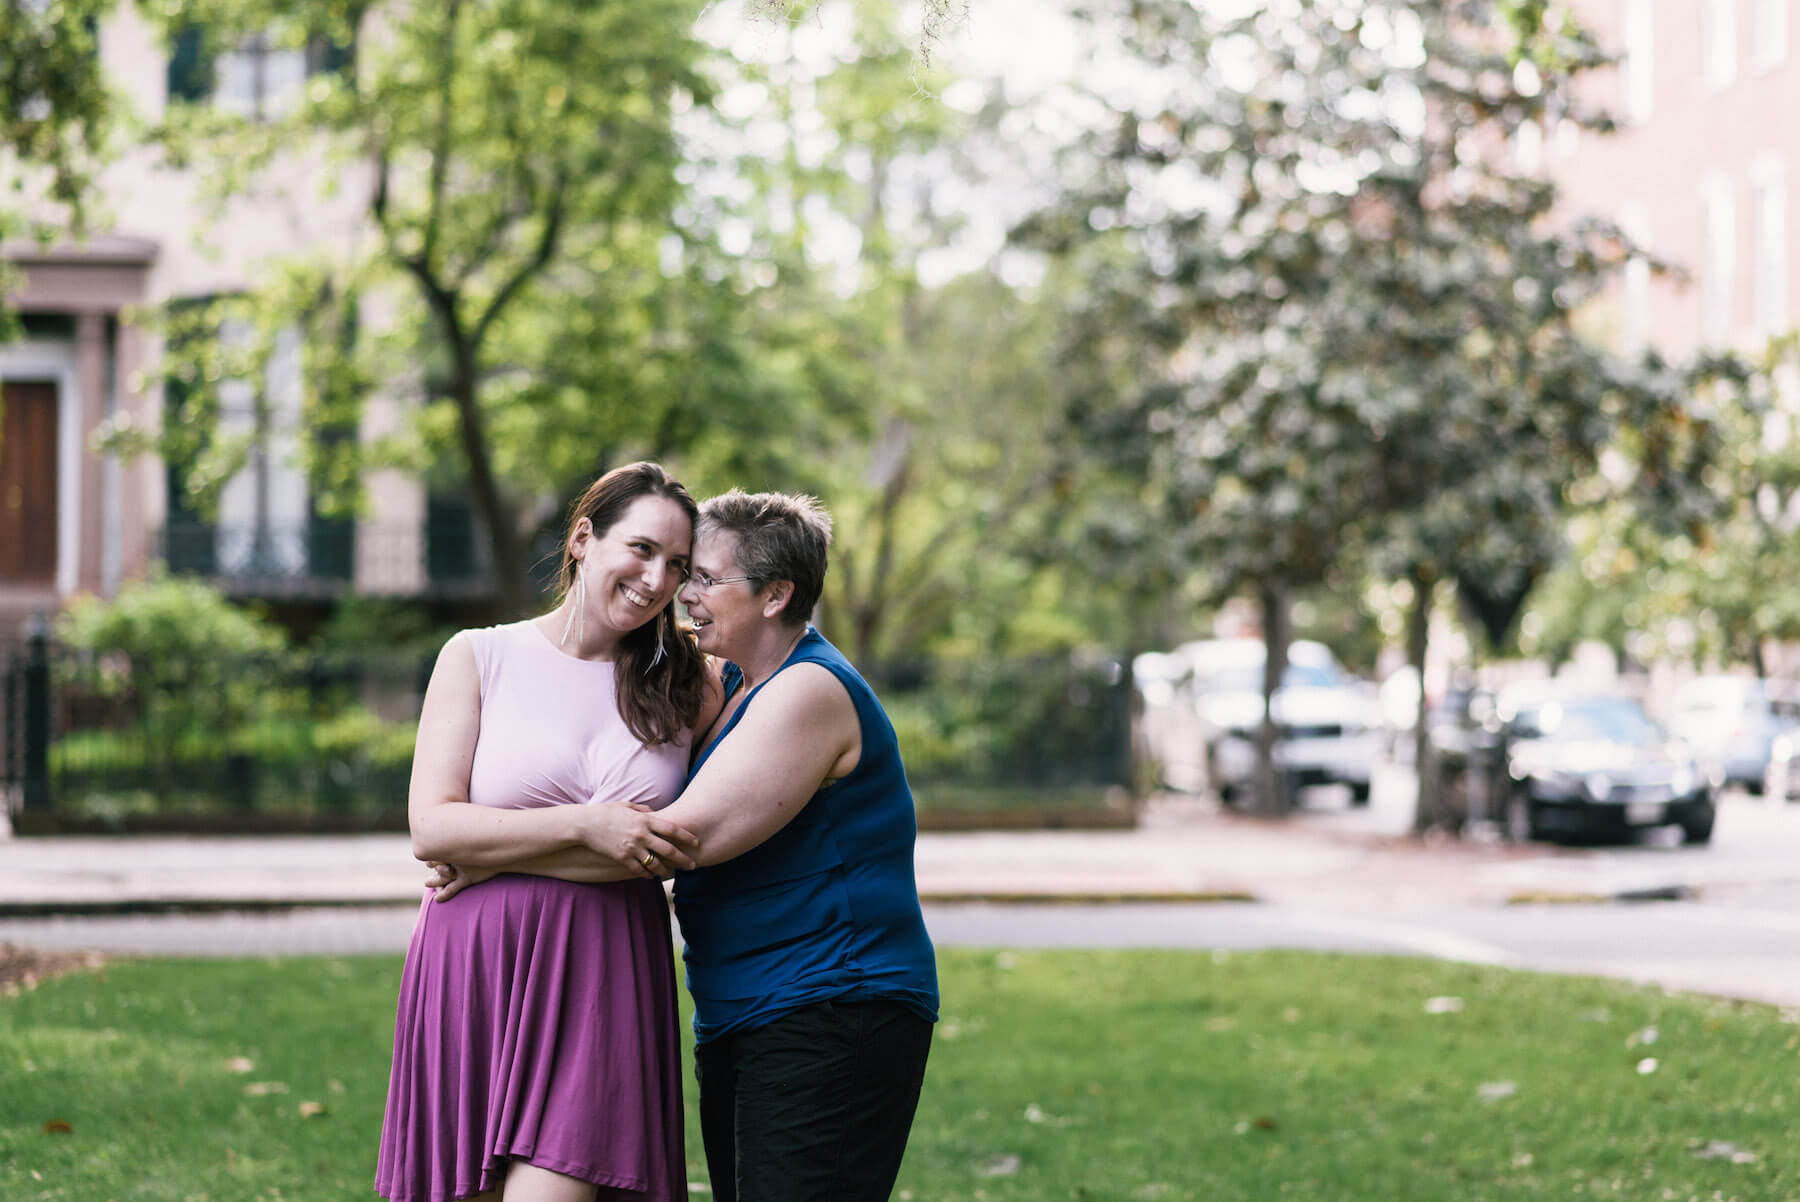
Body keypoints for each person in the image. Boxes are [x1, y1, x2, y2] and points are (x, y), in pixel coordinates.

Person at [432, 489, 939, 1202]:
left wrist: (487, 853)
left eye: (702, 577)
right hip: (747, 1007)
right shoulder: (736, 687)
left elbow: (670, 844)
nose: (681, 594)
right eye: (683, 572)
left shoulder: (809, 693)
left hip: (832, 1005)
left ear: (775, 595)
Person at [375, 461, 719, 1202]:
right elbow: (433, 826)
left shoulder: (692, 683)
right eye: (642, 549)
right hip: (475, 964)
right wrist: (588, 827)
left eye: (679, 565)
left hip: (607, 974)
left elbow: (679, 844)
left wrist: (496, 852)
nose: (658, 579)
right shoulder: (477, 656)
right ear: (583, 540)